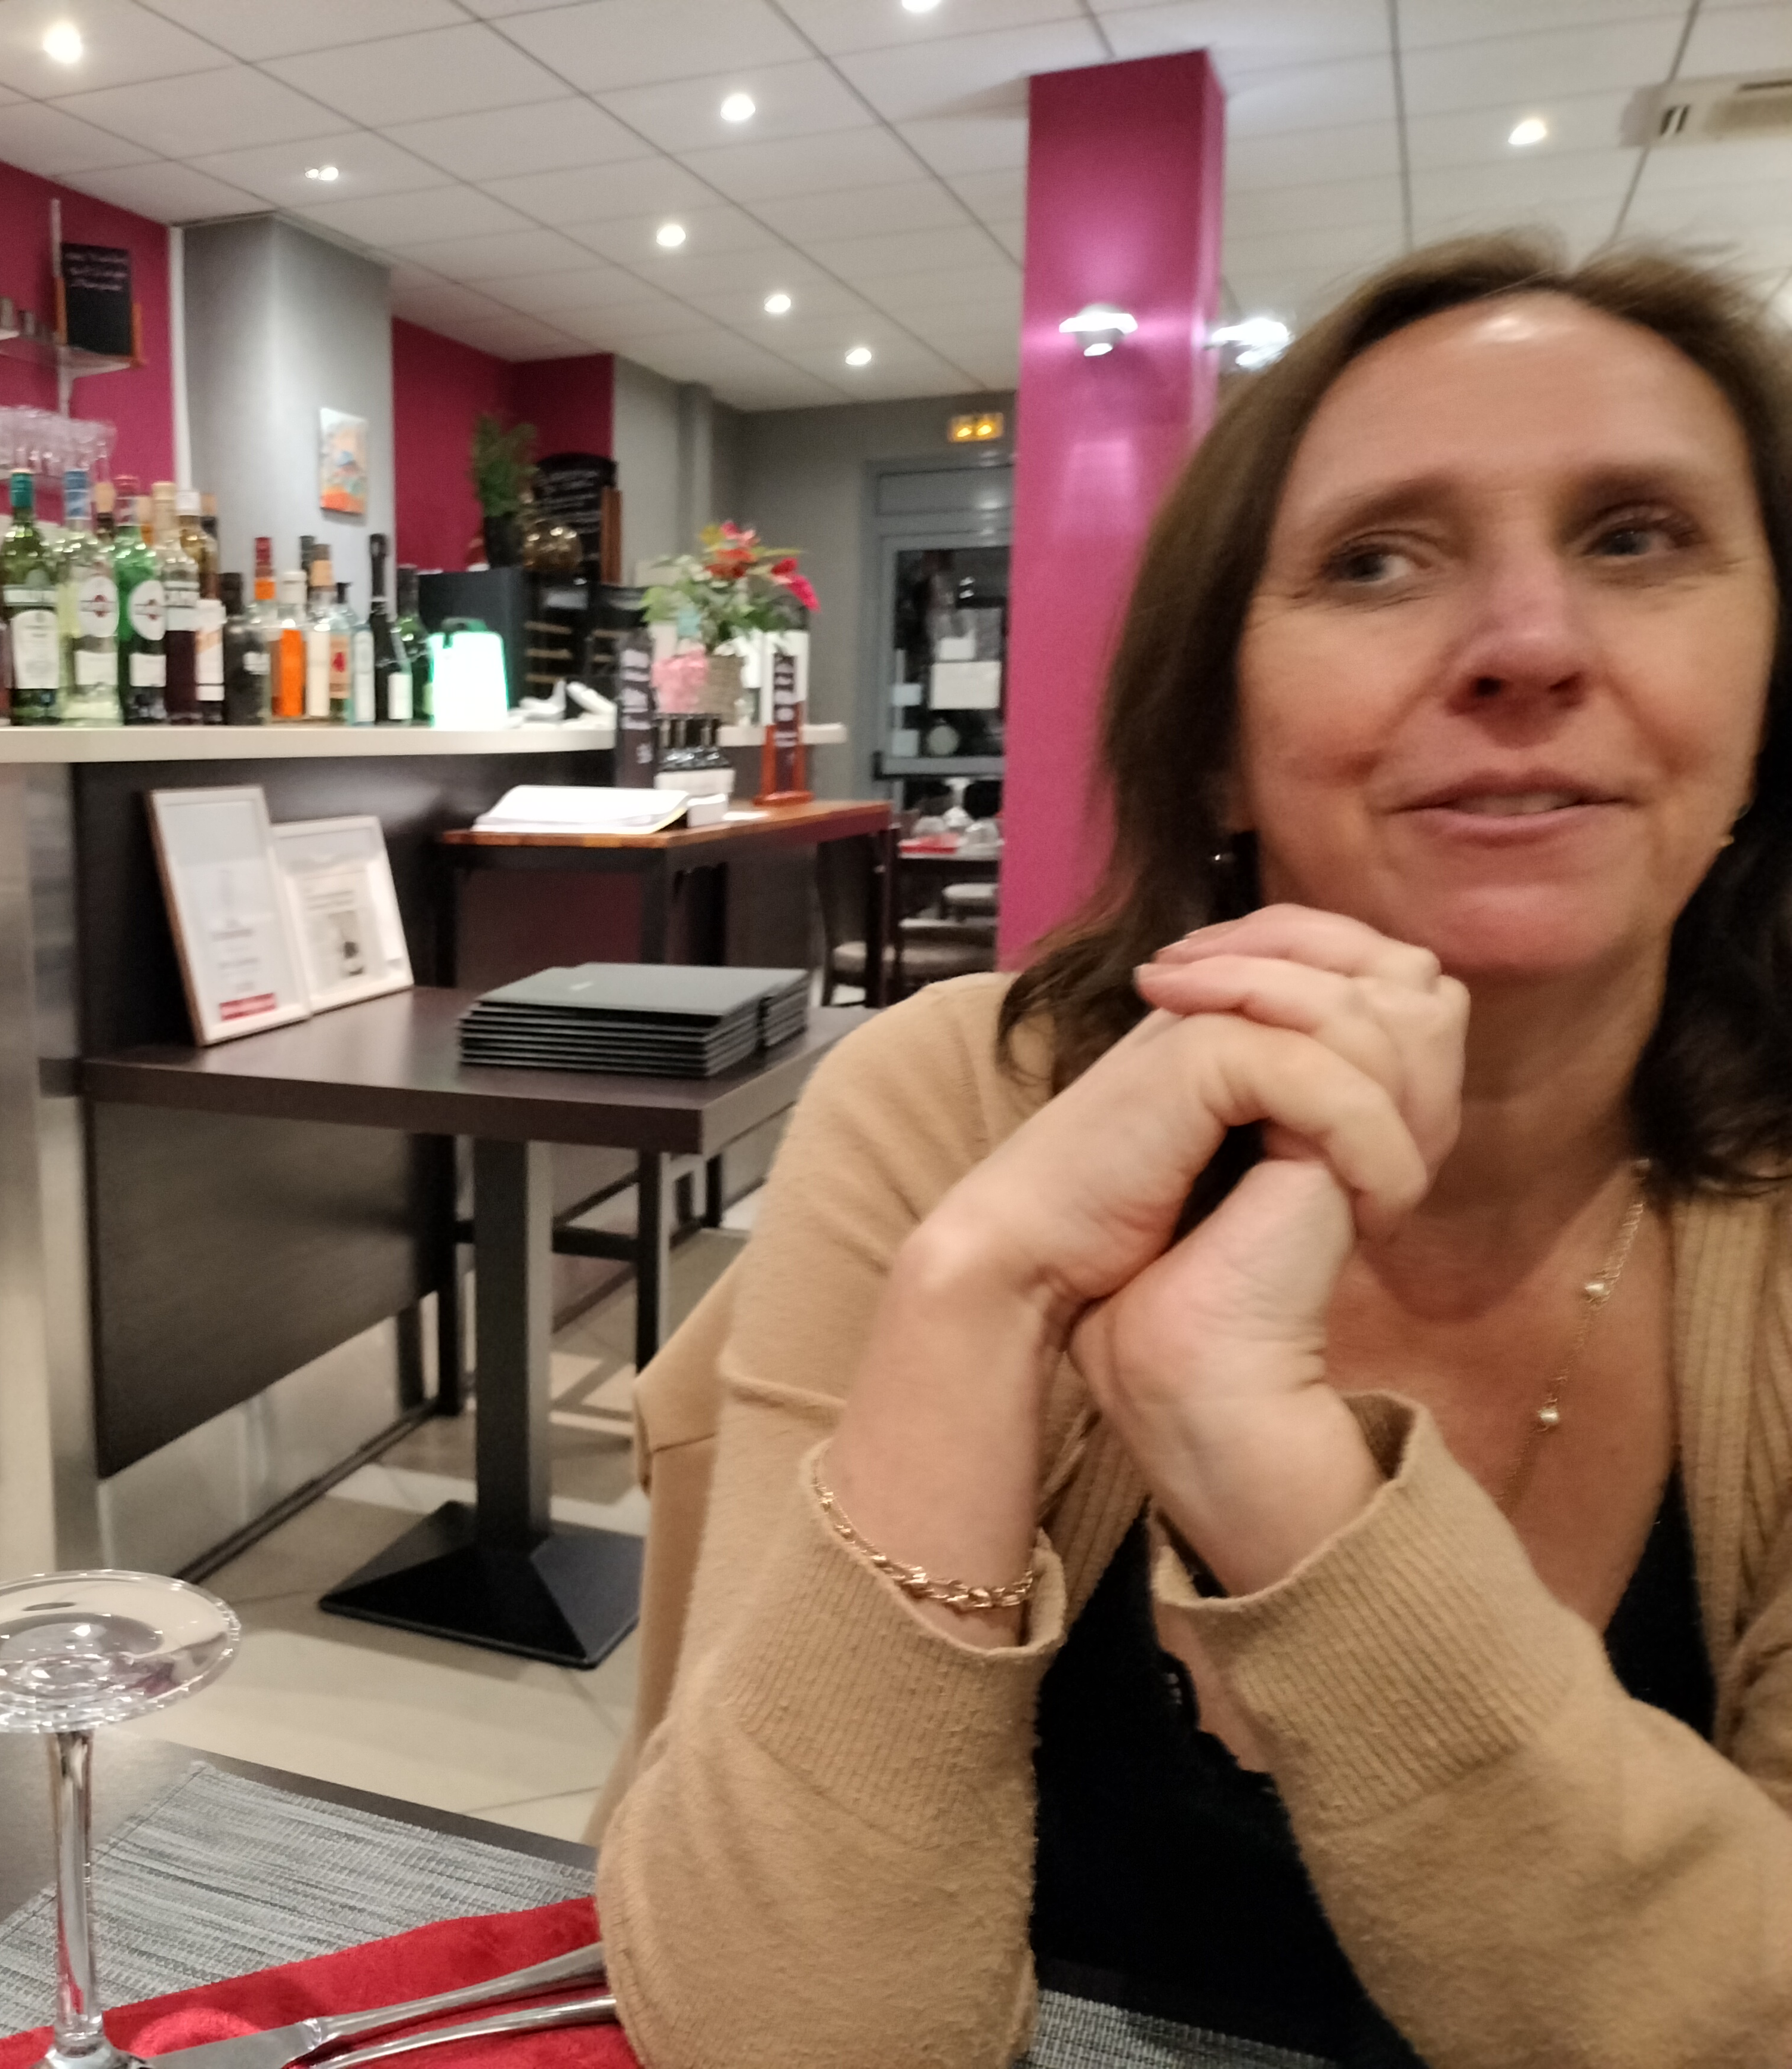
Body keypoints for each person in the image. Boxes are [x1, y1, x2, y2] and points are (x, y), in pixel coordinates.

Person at [594, 235, 1792, 2068]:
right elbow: (770, 2028)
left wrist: (1268, 1463)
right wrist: (980, 1293)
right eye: (1376, 558)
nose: (1530, 645)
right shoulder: (955, 1105)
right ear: (1220, 739)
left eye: (1637, 537)